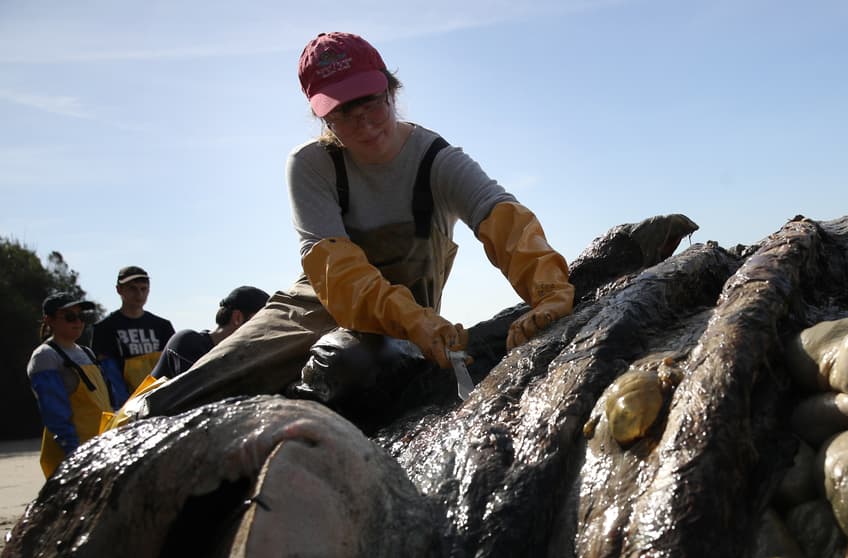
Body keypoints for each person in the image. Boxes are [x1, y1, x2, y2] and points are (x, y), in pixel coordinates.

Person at [130, 31, 574, 419]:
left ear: (391, 91)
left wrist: (549, 290)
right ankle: (127, 422)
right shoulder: (310, 165)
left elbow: (504, 218)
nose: (364, 124)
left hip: (402, 327)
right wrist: (415, 320)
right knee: (196, 389)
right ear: (323, 117)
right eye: (343, 112)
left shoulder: (437, 160)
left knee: (349, 366)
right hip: (315, 305)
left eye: (371, 104)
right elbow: (338, 275)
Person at [27, 293, 128, 478]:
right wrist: (75, 455)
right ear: (49, 320)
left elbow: (108, 398)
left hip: (103, 445)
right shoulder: (45, 357)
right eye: (69, 317)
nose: (78, 322)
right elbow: (55, 413)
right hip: (74, 455)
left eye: (82, 317)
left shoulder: (87, 353)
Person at [151, 286, 271, 379]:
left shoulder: (234, 357)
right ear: (238, 318)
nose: (265, 328)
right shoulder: (188, 342)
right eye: (260, 321)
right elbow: (196, 396)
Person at [90, 265, 176, 393]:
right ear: (119, 290)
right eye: (132, 289)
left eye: (143, 289)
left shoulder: (163, 326)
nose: (139, 294)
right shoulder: (105, 328)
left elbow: (173, 367)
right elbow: (106, 374)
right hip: (126, 405)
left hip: (162, 398)